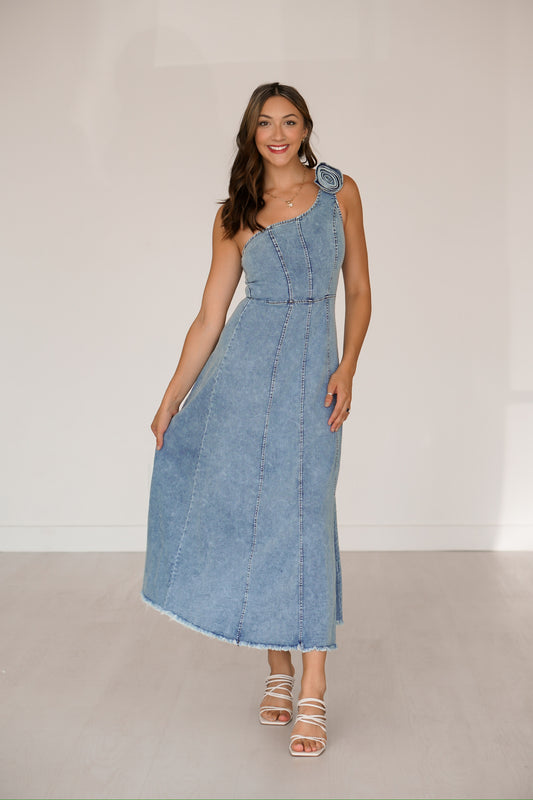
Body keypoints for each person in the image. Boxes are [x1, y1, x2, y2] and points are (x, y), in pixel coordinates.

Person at [141, 82, 371, 757]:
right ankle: (277, 669)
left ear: (305, 128)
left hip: (312, 384)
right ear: (250, 132)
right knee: (256, 521)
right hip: (240, 384)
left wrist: (348, 367)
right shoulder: (233, 214)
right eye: (264, 123)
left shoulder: (340, 193)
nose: (277, 133)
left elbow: (357, 290)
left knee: (303, 519)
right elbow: (210, 317)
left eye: (289, 121)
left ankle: (312, 690)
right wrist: (168, 400)